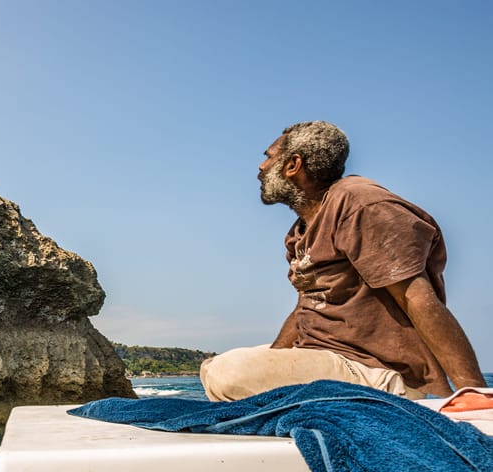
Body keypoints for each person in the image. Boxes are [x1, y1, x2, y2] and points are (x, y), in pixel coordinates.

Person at [200, 121, 485, 401]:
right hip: (324, 356)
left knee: (228, 372)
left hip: (374, 369)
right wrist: (273, 360)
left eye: (269, 157)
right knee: (212, 368)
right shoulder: (301, 231)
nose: (262, 168)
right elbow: (307, 305)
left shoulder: (360, 205)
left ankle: (396, 397)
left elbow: (417, 297)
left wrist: (474, 392)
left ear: (293, 165)